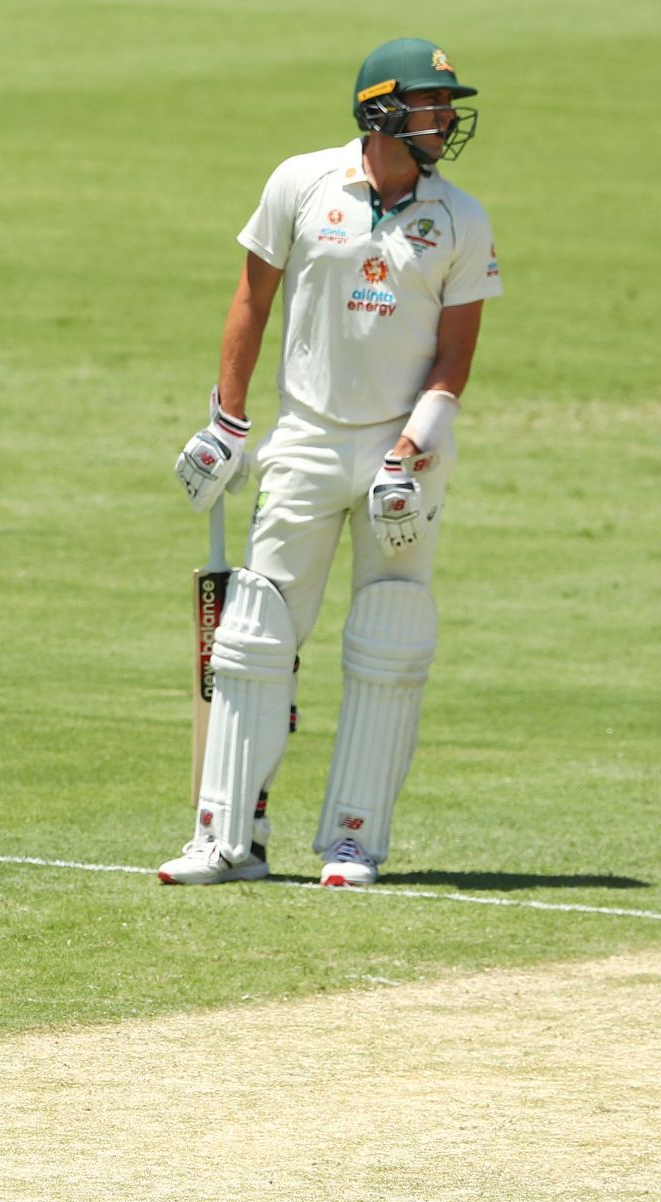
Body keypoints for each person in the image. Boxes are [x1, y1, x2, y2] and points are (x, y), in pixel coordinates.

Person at [162, 38, 501, 889]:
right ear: (383, 109)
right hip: (307, 437)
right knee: (252, 632)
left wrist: (410, 451)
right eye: (434, 104)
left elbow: (453, 363)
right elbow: (251, 298)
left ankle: (353, 842)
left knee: (390, 635)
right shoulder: (302, 182)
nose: (449, 119)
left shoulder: (461, 218)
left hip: (403, 448)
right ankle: (226, 840)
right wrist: (227, 422)